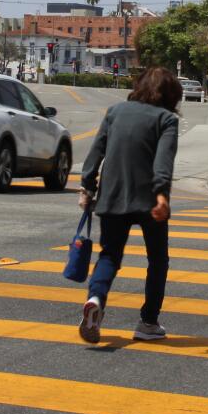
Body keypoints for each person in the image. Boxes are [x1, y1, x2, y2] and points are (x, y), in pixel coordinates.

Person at [77, 66, 181, 343]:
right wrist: (161, 195)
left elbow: (96, 151)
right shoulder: (166, 119)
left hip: (112, 195)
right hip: (149, 200)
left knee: (109, 255)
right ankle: (148, 322)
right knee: (157, 260)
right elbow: (163, 161)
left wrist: (87, 186)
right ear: (171, 95)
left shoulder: (115, 112)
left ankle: (96, 299)